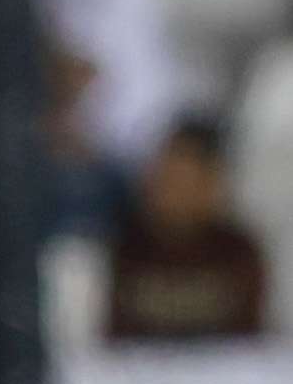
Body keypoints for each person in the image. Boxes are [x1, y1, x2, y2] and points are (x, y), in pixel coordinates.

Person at [107, 116, 268, 341]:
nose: (174, 196)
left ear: (212, 185)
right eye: (168, 181)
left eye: (187, 184)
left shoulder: (239, 251)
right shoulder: (126, 246)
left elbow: (249, 339)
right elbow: (113, 337)